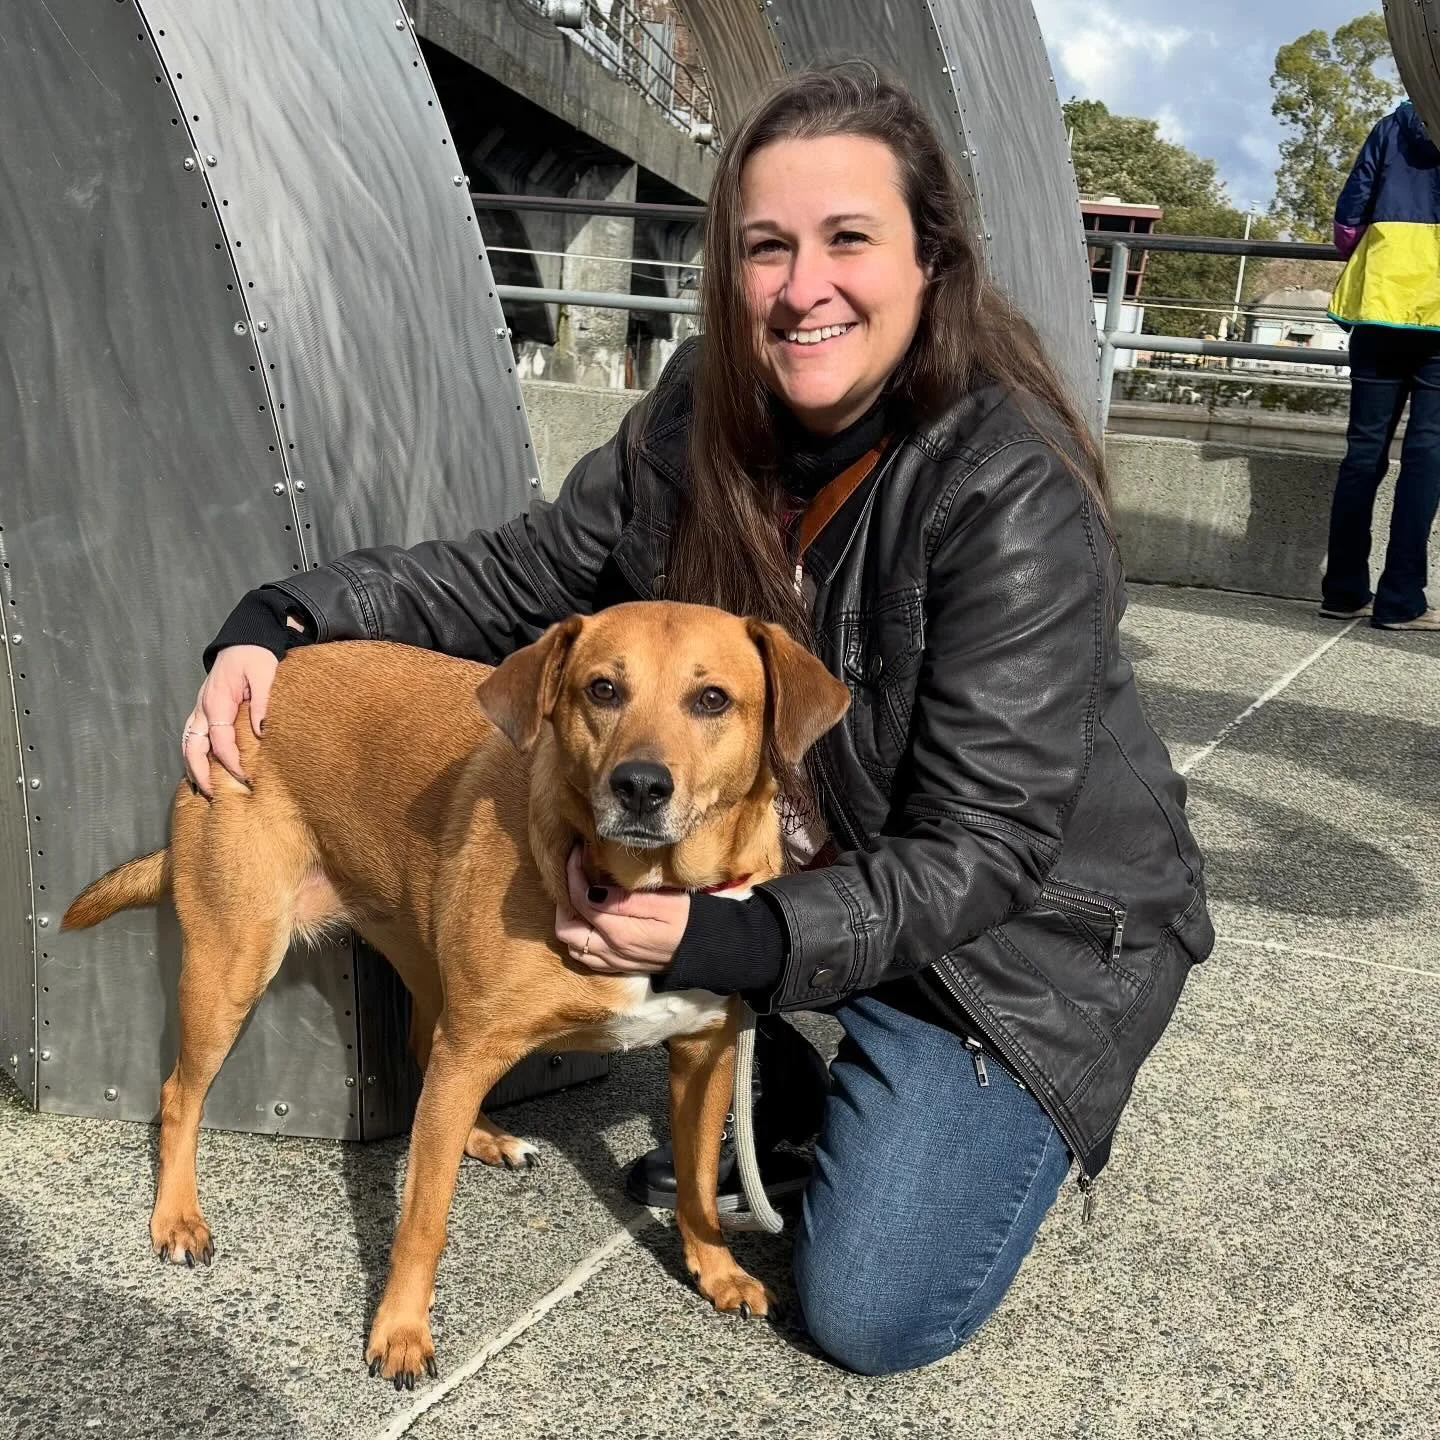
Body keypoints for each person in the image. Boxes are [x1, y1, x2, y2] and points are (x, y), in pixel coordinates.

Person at [184, 62, 1212, 1376]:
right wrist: (281, 617)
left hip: (1011, 950)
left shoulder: (1011, 493)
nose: (802, 285)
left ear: (933, 262)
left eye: (849, 239)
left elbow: (987, 848)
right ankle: (788, 1058)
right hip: (809, 882)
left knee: (872, 1308)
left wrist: (736, 941)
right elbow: (518, 576)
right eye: (766, 246)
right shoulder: (698, 416)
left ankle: (837, 1067)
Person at [1322, 97, 1440, 631]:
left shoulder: (1392, 127)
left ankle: (1343, 592)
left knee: (1363, 453)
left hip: (1378, 305)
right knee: (1427, 456)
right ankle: (1401, 600)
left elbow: (1348, 221)